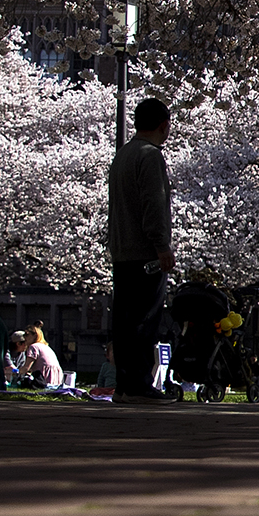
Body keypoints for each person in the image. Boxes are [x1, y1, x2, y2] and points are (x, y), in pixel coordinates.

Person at [106, 97, 176, 401]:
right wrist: (162, 246)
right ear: (164, 125)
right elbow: (154, 203)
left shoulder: (123, 155)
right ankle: (138, 383)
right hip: (144, 253)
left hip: (121, 251)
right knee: (144, 320)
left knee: (123, 320)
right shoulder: (150, 156)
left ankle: (124, 383)